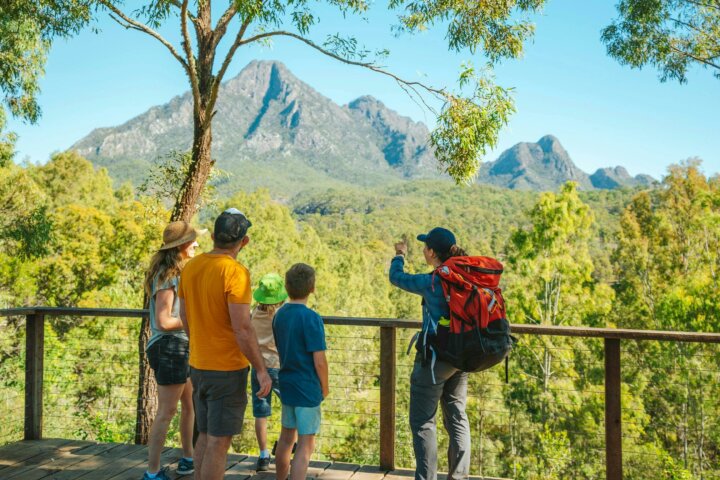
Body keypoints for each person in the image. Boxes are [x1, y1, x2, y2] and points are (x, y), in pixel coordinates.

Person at [178, 208, 272, 480]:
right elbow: (242, 328)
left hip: (198, 364)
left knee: (205, 435)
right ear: (244, 241)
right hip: (227, 370)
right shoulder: (235, 273)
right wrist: (261, 369)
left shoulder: (191, 267)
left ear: (215, 237)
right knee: (219, 443)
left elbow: (184, 316)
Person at [389, 227, 471, 480]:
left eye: (426, 247)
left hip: (435, 360)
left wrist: (399, 256)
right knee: (457, 418)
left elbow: (397, 278)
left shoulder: (433, 281)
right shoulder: (466, 276)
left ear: (432, 252)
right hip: (462, 357)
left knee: (424, 422)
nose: (424, 250)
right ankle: (458, 477)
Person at [143, 221, 203, 480]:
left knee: (189, 404)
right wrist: (196, 319)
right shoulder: (168, 276)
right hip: (170, 347)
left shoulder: (179, 273)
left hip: (181, 346)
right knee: (166, 412)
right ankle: (153, 472)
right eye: (193, 240)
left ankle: (187, 459)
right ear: (180, 246)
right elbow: (165, 321)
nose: (197, 244)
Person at [272, 263, 329, 480]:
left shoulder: (279, 315)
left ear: (287, 287)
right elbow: (320, 361)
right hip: (307, 386)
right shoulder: (311, 318)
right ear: (312, 288)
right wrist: (325, 387)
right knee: (305, 444)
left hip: (286, 383)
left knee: (286, 438)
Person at [250, 273, 287, 471]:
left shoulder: (253, 313)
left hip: (259, 368)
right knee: (291, 409)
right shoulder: (282, 315)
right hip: (281, 367)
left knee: (260, 412)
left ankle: (263, 455)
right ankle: (286, 448)